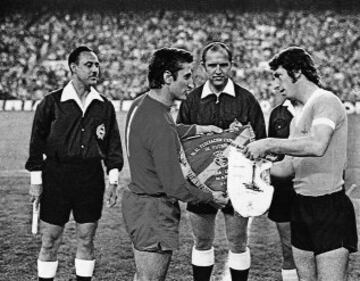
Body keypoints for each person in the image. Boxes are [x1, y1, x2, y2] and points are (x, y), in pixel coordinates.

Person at [244, 47, 358, 281]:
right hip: (301, 207)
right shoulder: (299, 120)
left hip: (329, 208)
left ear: (296, 72)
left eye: (279, 76)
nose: (275, 84)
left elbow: (317, 145)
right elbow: (287, 168)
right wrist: (249, 170)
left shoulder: (326, 100)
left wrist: (268, 144)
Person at [122, 47, 228, 281]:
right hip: (154, 211)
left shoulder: (142, 103)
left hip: (139, 204)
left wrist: (197, 129)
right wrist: (211, 197)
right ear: (168, 78)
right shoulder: (159, 122)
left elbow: (162, 132)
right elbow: (175, 187)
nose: (192, 83)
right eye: (187, 76)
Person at [25, 46, 124, 281]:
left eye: (97, 65)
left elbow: (112, 147)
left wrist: (113, 181)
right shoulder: (51, 103)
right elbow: (36, 145)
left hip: (90, 178)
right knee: (50, 240)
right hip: (56, 176)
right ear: (73, 68)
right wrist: (36, 182)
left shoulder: (104, 105)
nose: (95, 69)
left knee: (87, 239)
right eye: (89, 64)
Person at [177, 42, 266, 281]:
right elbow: (181, 140)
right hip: (201, 184)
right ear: (203, 67)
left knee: (238, 242)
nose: (218, 70)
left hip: (238, 185)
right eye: (212, 65)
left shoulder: (246, 99)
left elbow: (262, 143)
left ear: (231, 65)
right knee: (202, 241)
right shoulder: (192, 100)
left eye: (223, 64)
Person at [267, 89, 299, 281]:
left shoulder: (318, 108)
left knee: (314, 249)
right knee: (288, 250)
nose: (278, 86)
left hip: (312, 186)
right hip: (283, 188)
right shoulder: (277, 113)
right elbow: (273, 153)